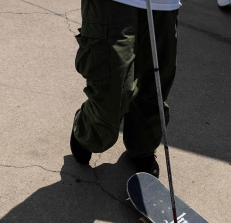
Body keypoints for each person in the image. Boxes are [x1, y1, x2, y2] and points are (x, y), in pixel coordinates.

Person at [70, 0, 181, 177]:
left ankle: (142, 145)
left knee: (153, 86)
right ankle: (88, 130)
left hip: (164, 4)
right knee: (113, 91)